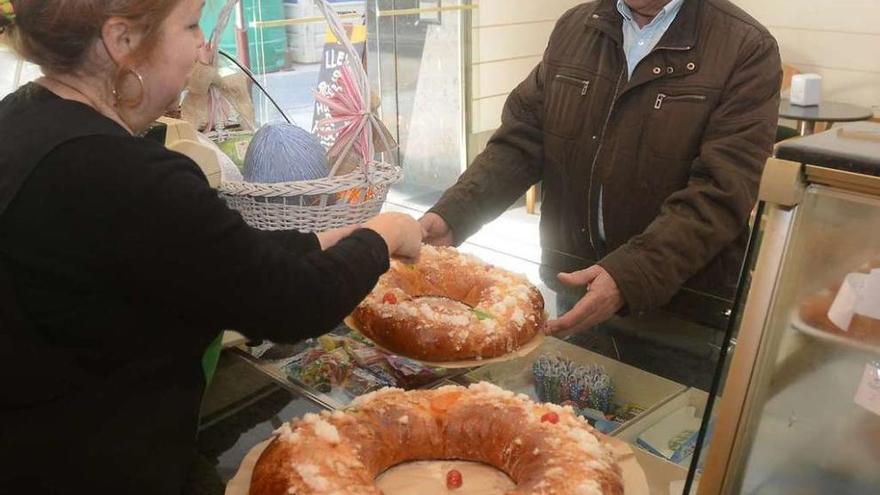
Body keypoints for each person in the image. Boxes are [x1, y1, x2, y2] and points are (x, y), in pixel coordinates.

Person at [0, 1, 422, 493]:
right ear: (122, 41)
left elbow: (206, 254)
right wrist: (383, 235)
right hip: (100, 463)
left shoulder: (24, 119)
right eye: (189, 25)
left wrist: (324, 240)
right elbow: (291, 305)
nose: (203, 50)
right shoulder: (122, 173)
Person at [421, 0, 782, 340]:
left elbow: (721, 193)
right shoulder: (576, 28)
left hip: (681, 318)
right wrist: (454, 214)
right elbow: (521, 143)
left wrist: (629, 276)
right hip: (575, 292)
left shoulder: (746, 48)